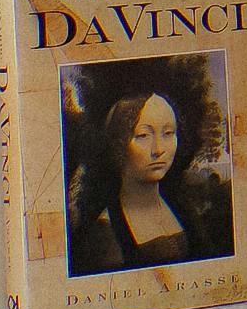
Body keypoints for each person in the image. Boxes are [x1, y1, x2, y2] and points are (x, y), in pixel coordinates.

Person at [64, 85, 233, 273]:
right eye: (143, 135)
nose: (159, 149)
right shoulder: (108, 233)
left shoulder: (183, 207)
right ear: (120, 143)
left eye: (168, 133)